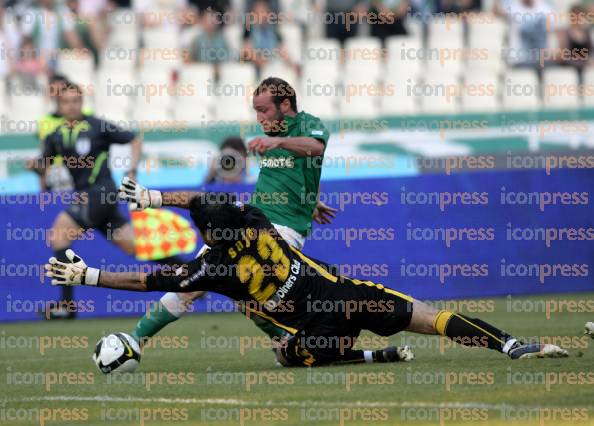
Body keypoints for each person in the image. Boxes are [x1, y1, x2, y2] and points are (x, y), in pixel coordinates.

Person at [45, 193, 569, 365]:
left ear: (208, 235)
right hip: (347, 295)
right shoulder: (256, 220)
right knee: (429, 318)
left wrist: (86, 274)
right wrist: (166, 198)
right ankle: (511, 345)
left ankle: (366, 356)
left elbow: (145, 281)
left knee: (286, 356)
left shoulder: (214, 270)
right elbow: (210, 204)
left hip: (315, 327)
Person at [128, 77, 337, 350]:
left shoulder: (307, 125)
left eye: (264, 110)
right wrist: (313, 199)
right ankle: (133, 340)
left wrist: (280, 144)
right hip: (251, 220)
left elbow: (315, 149)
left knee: (245, 296)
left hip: (283, 230)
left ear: (285, 104)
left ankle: (296, 340)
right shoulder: (271, 137)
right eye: (256, 111)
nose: (259, 118)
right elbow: (298, 172)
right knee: (195, 282)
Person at [35, 83, 147, 319]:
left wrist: (132, 170)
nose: (72, 105)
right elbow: (43, 168)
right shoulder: (55, 136)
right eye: (66, 101)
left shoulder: (97, 125)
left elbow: (135, 140)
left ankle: (67, 306)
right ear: (59, 105)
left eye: (76, 100)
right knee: (135, 247)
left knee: (59, 235)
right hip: (88, 199)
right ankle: (188, 274)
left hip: (100, 192)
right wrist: (41, 178)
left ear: (82, 102)